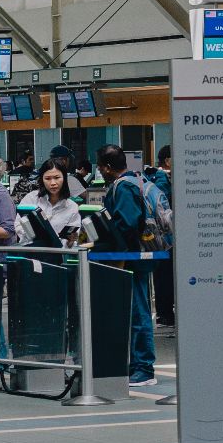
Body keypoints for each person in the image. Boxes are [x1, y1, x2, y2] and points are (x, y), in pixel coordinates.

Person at [94, 145, 158, 386]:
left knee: (138, 311)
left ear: (108, 167)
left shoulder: (124, 187)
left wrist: (111, 249)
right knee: (134, 310)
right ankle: (137, 364)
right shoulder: (134, 182)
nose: (99, 171)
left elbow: (126, 225)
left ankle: (143, 368)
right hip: (132, 257)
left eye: (100, 166)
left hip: (131, 258)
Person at [19, 156, 84, 242]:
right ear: (42, 179)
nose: (53, 183)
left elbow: (72, 241)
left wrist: (70, 241)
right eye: (47, 178)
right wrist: (35, 236)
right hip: (31, 251)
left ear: (64, 178)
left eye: (57, 178)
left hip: (58, 253)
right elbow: (18, 225)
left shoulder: (72, 208)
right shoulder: (31, 199)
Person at [150, 145, 177, 327]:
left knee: (166, 275)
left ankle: (165, 312)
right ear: (167, 160)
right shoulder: (161, 182)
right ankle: (164, 313)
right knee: (164, 275)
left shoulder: (162, 180)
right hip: (165, 238)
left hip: (166, 236)